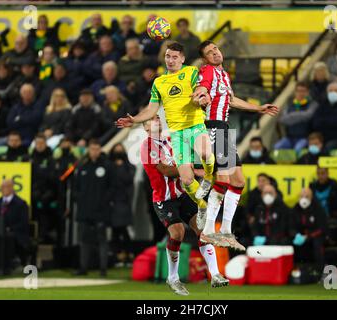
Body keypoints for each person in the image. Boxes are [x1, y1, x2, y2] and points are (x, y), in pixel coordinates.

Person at [116, 42, 217, 245]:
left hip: (195, 124)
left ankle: (206, 180)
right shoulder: (159, 83)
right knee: (187, 183)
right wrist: (135, 119)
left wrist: (202, 97)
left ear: (182, 59)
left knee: (207, 156)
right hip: (177, 138)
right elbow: (152, 108)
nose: (170, 60)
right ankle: (203, 203)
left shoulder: (190, 72)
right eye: (167, 57)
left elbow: (202, 87)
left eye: (174, 57)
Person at [192, 40, 278, 250]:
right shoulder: (208, 71)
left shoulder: (224, 75)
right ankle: (208, 231)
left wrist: (258, 108)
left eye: (216, 49)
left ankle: (226, 231)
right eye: (209, 52)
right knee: (222, 179)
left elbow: (231, 101)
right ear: (205, 59)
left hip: (223, 129)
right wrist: (199, 97)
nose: (215, 53)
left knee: (238, 181)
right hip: (211, 128)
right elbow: (200, 90)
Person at [140, 115, 229, 295]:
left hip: (183, 194)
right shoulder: (146, 147)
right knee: (178, 232)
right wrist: (192, 169)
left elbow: (190, 156)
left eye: (157, 117)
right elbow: (165, 170)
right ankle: (173, 277)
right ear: (146, 128)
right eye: (151, 119)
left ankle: (215, 273)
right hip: (164, 199)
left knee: (202, 229)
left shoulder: (172, 140)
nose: (157, 119)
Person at [74, 139, 113, 277]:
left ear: (100, 150)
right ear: (88, 150)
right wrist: (80, 200)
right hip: (85, 210)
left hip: (101, 211)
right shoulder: (82, 166)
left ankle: (103, 269)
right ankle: (83, 267)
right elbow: (76, 187)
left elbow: (112, 187)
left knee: (102, 239)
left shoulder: (107, 165)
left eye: (97, 149)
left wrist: (104, 203)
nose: (94, 152)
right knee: (84, 239)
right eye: (92, 149)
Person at [0, 179, 30, 270]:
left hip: (16, 233)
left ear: (11, 188)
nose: (2, 189)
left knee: (10, 238)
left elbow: (24, 223)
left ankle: (14, 262)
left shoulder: (20, 204)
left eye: (4, 187)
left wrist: (10, 228)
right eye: (1, 187)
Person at [109, 143, 135, 267]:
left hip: (123, 202)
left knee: (122, 229)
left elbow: (128, 180)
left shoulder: (128, 167)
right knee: (116, 230)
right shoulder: (109, 166)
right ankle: (119, 255)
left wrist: (120, 168)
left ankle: (126, 254)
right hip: (112, 202)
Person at [290, 188, 327, 272]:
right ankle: (292, 270)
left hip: (315, 236)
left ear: (311, 197)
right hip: (299, 236)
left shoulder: (318, 209)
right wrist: (296, 234)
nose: (304, 199)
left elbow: (322, 228)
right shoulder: (295, 209)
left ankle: (319, 271)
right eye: (302, 196)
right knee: (287, 242)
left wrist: (308, 236)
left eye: (307, 196)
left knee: (317, 244)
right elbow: (291, 226)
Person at [275, 81, 318, 152]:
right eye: (298, 91)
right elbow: (282, 119)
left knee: (298, 149)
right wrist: (301, 116)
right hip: (289, 137)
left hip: (304, 138)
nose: (300, 93)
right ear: (295, 92)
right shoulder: (289, 105)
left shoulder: (312, 104)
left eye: (303, 91)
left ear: (307, 92)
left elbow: (308, 116)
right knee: (277, 147)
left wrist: (291, 116)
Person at [30, 134, 57, 244]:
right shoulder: (30, 158)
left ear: (46, 144)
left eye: (42, 143)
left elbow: (53, 178)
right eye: (37, 143)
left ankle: (43, 236)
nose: (39, 146)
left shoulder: (51, 159)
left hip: (47, 192)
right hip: (32, 191)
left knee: (44, 208)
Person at [311, 82, 337, 152]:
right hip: (321, 137)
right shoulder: (321, 106)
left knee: (327, 148)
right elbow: (316, 123)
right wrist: (332, 121)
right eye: (330, 91)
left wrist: (324, 121)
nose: (333, 93)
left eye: (336, 90)